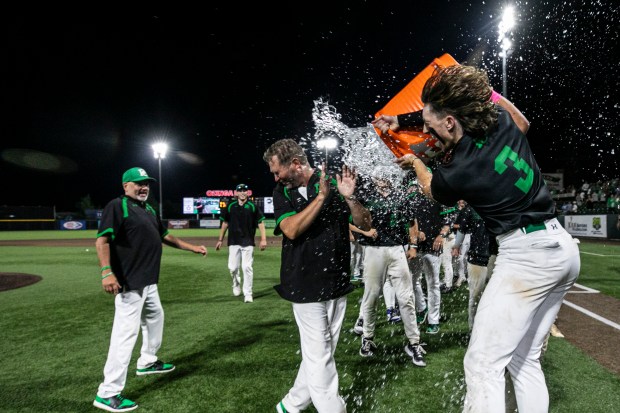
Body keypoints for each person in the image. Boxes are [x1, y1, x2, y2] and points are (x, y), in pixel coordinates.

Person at [374, 64, 580, 413]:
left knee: (482, 365)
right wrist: (404, 118)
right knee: (524, 361)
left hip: (526, 258)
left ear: (451, 122)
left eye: (430, 124)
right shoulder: (499, 120)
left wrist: (417, 165)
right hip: (562, 249)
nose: (425, 130)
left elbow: (430, 188)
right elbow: (521, 121)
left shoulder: (458, 171)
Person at [262, 138, 372, 413]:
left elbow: (365, 224)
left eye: (278, 171)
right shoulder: (282, 192)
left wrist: (350, 197)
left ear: (296, 164)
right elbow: (290, 229)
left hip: (335, 280)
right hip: (303, 283)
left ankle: (291, 404)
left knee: (321, 353)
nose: (275, 177)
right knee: (320, 356)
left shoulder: (333, 183)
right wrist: (321, 198)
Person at [93, 167, 207, 412]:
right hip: (130, 282)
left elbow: (166, 237)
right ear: (126, 186)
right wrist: (106, 272)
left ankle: (147, 361)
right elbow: (102, 240)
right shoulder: (118, 205)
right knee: (125, 335)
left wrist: (192, 248)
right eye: (138, 183)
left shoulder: (149, 209)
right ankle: (108, 392)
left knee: (155, 317)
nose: (143, 187)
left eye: (146, 183)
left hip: (148, 281)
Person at [354, 170, 426, 366]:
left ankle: (414, 342)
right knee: (371, 296)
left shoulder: (399, 195)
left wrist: (413, 245)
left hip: (396, 249)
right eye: (377, 173)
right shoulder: (366, 195)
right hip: (373, 250)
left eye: (384, 173)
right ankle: (367, 337)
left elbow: (412, 221)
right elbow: (353, 221)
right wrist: (364, 232)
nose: (382, 177)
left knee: (406, 298)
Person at [215, 183, 268, 303]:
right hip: (233, 241)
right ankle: (236, 283)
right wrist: (220, 240)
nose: (243, 192)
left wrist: (263, 239)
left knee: (247, 267)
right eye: (240, 190)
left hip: (248, 241)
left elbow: (260, 223)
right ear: (236, 193)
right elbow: (225, 223)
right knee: (233, 268)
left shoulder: (252, 206)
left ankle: (248, 294)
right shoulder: (230, 206)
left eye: (245, 190)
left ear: (247, 193)